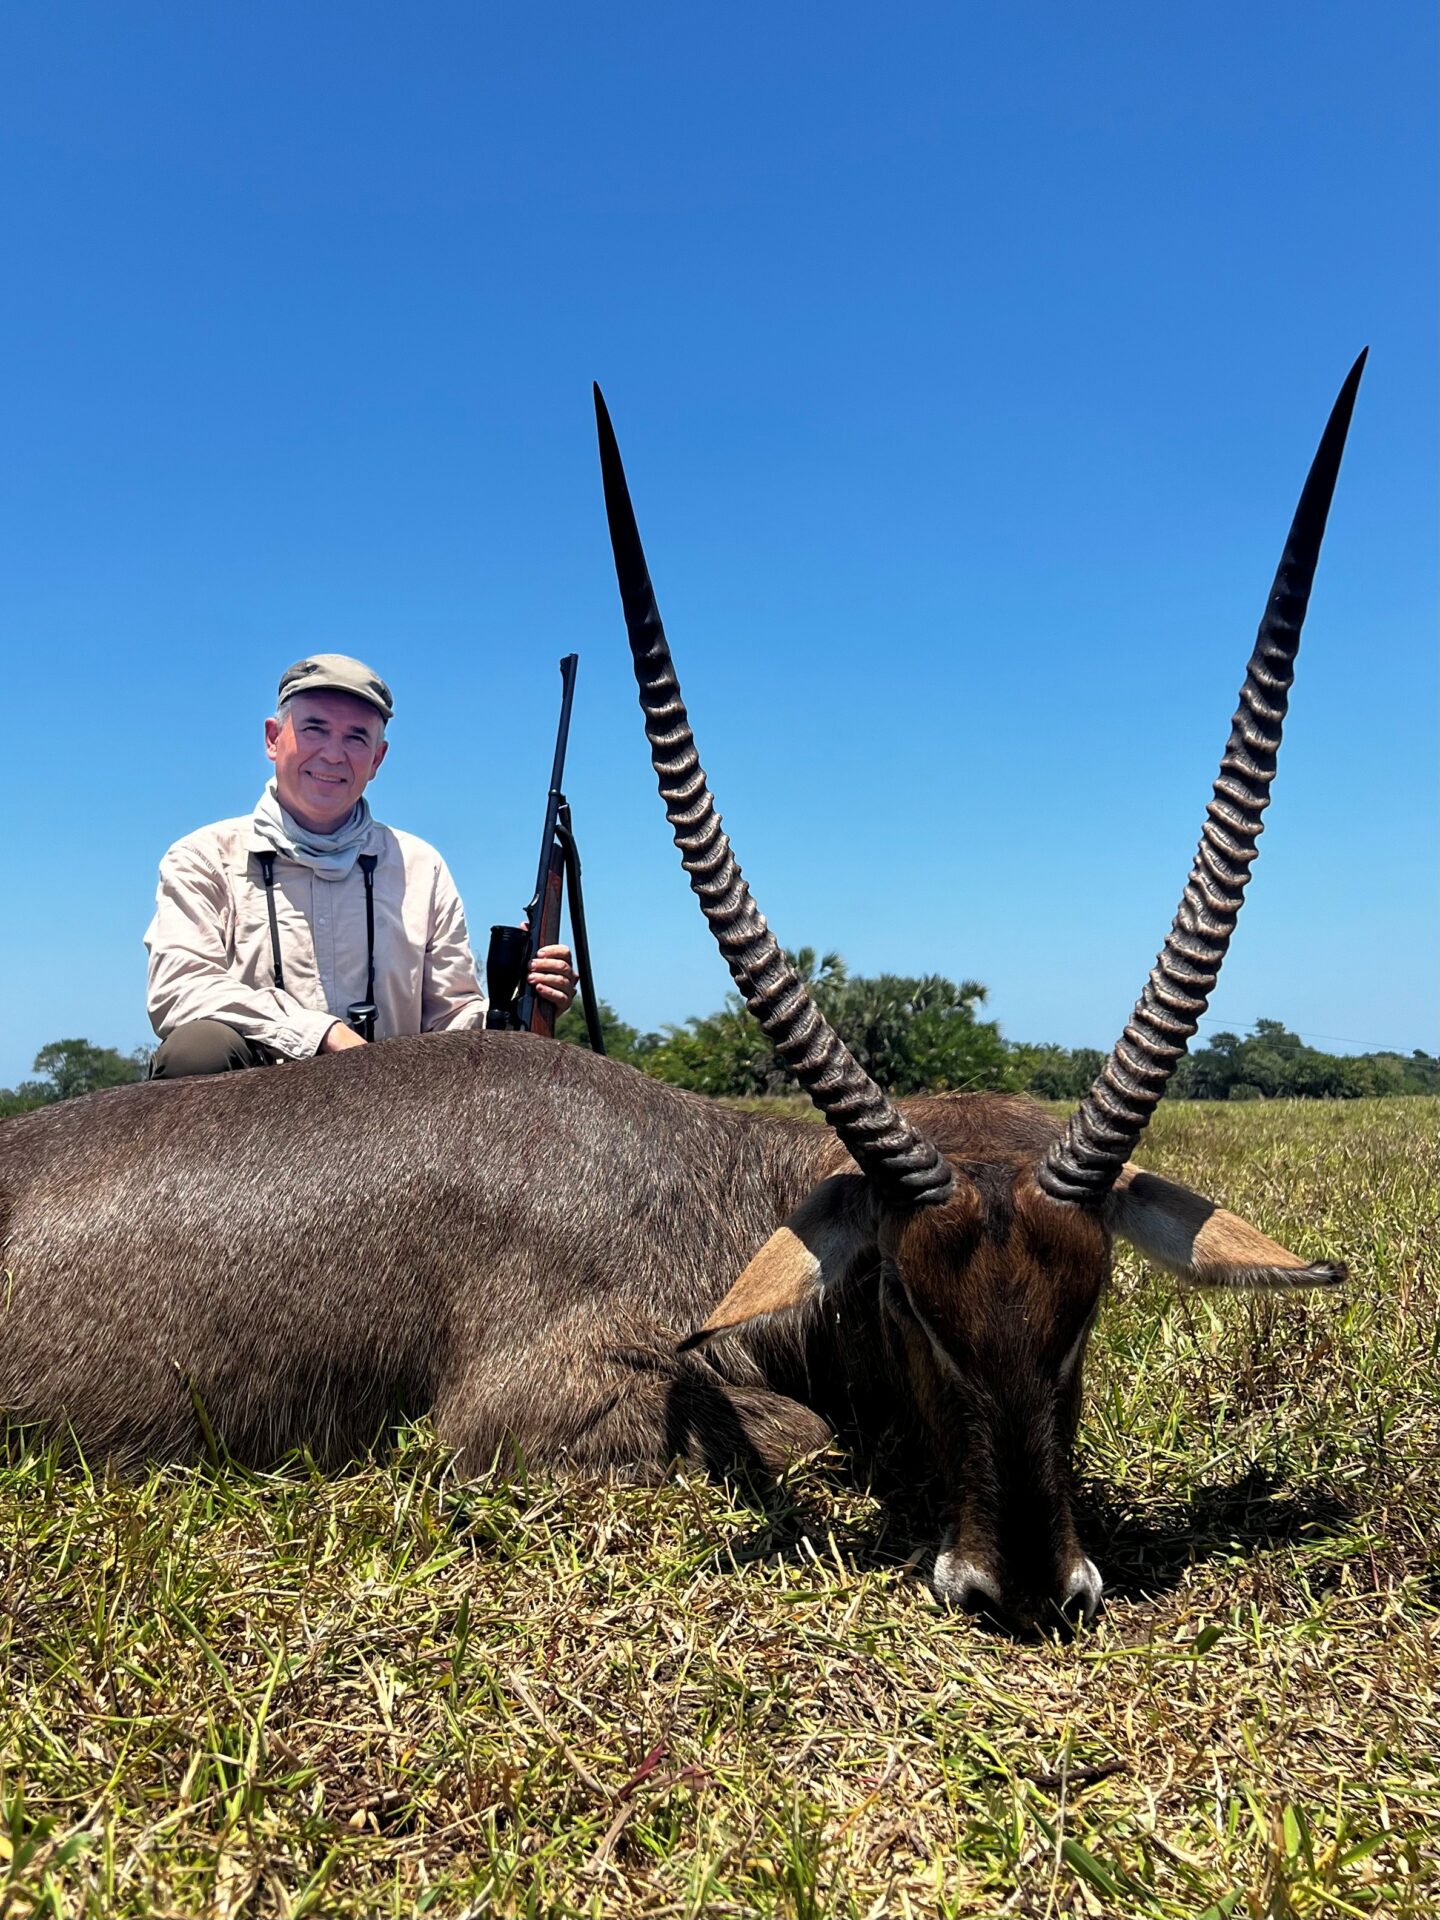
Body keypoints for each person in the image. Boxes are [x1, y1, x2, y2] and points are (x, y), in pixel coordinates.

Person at [145, 653, 576, 1077]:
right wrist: (323, 1034)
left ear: (377, 758)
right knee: (196, 1051)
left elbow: (450, 1018)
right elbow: (181, 987)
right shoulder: (202, 857)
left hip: (390, 1109)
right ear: (273, 738)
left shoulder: (421, 866)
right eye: (315, 729)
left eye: (356, 737)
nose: (334, 754)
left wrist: (520, 1001)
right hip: (253, 1119)